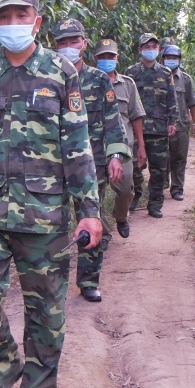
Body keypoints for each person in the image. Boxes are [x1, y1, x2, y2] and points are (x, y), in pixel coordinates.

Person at [0, 0, 103, 388]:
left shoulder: (62, 73)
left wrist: (89, 210)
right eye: (4, 16)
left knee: (46, 312)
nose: (13, 23)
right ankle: (2, 369)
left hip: (46, 215)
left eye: (21, 15)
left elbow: (78, 145)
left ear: (37, 21)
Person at [52, 19, 130, 303]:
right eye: (63, 42)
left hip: (91, 164)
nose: (69, 47)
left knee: (90, 218)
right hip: (53, 166)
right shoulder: (48, 76)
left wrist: (115, 156)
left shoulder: (99, 80)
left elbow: (113, 121)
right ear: (55, 44)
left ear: (84, 43)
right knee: (54, 223)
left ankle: (88, 281)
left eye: (74, 41)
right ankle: (52, 281)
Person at [92, 38, 146, 238]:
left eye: (110, 56)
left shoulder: (127, 84)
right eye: (102, 57)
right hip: (94, 147)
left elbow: (136, 116)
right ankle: (104, 234)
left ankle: (121, 217)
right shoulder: (85, 81)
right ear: (95, 58)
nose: (107, 60)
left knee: (125, 191)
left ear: (117, 58)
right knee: (95, 195)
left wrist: (141, 146)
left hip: (122, 149)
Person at [125, 32, 177, 218]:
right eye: (147, 47)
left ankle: (155, 204)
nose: (150, 50)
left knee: (159, 169)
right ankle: (134, 195)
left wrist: (173, 121)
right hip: (135, 127)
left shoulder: (165, 73)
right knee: (132, 168)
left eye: (154, 47)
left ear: (159, 50)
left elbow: (172, 99)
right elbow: (127, 100)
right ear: (140, 49)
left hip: (158, 128)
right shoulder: (131, 73)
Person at [161, 43, 195, 200]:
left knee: (179, 157)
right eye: (168, 58)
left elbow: (192, 102)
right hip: (161, 125)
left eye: (175, 58)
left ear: (179, 60)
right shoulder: (157, 76)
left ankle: (177, 188)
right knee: (163, 157)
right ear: (163, 59)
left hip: (181, 125)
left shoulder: (185, 79)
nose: (171, 60)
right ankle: (161, 184)